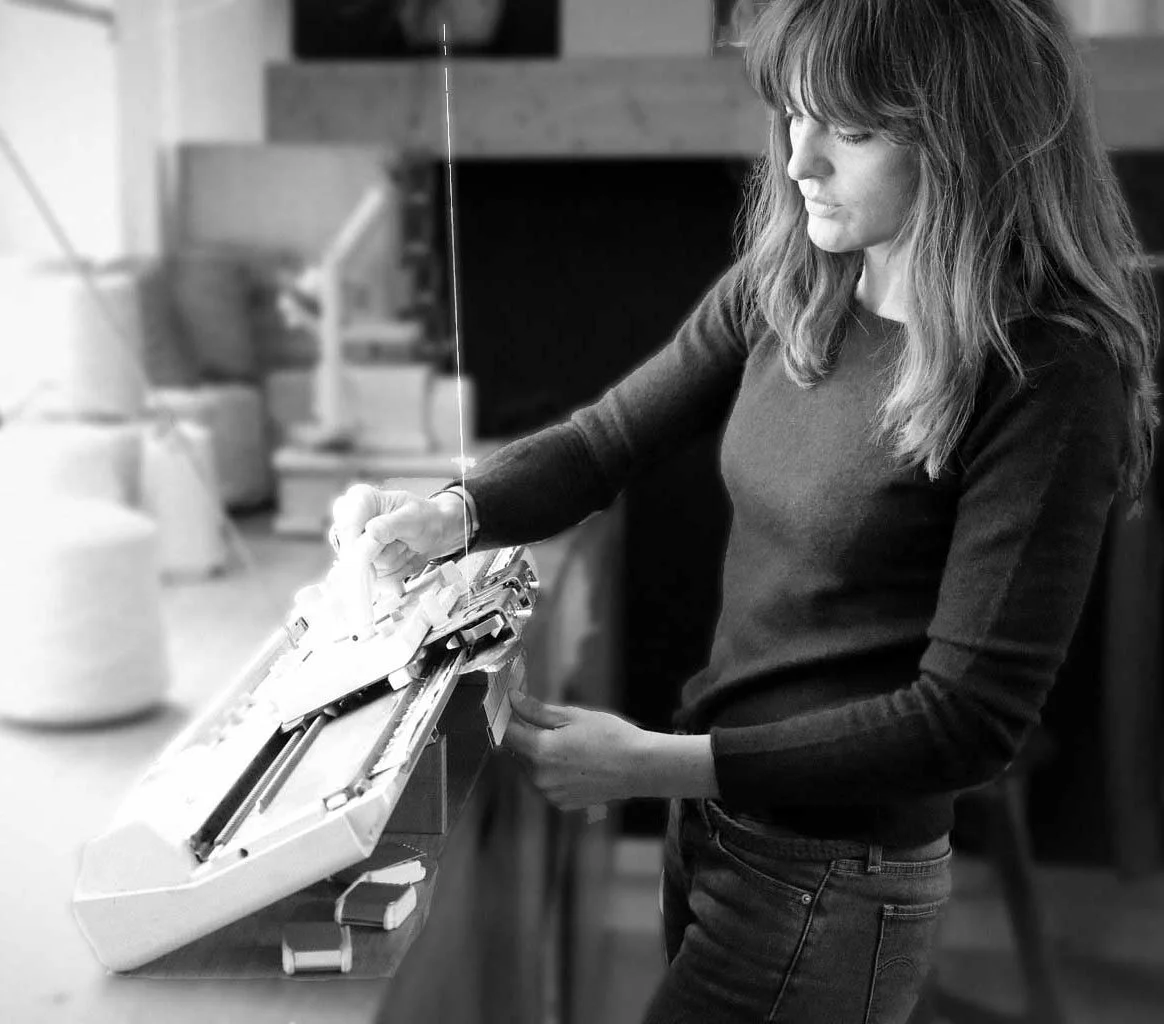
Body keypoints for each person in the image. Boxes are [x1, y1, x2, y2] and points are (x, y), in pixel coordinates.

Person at [329, 1, 1160, 1020]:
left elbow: (964, 725)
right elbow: (604, 441)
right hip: (719, 830)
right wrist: (449, 516)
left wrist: (652, 765)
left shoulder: (1048, 375)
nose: (800, 160)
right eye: (794, 113)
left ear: (967, 138)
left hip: (835, 879)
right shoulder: (797, 284)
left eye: (851, 130)